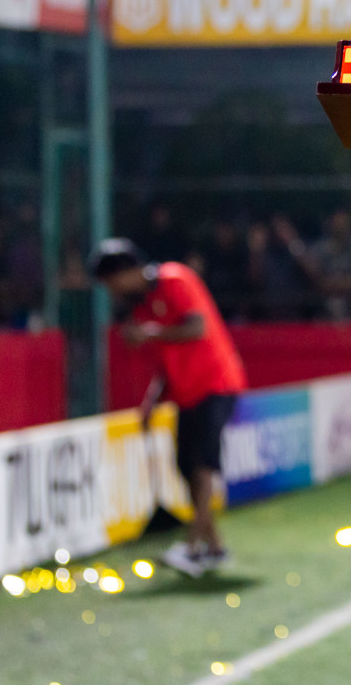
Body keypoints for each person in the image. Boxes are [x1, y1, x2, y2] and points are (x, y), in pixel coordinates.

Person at [91, 237, 247, 577]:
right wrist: (150, 402)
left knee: (201, 464)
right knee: (185, 466)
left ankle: (192, 547)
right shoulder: (142, 307)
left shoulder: (175, 279)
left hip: (216, 382)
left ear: (127, 272)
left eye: (112, 283)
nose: (112, 291)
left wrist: (149, 333)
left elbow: (196, 327)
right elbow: (165, 362)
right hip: (186, 392)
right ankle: (215, 548)